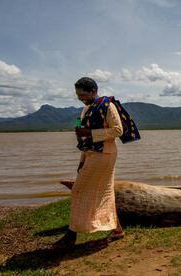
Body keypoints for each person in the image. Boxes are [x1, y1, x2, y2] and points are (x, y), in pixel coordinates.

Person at [54, 77, 139, 249]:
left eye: (83, 94)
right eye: (78, 96)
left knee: (79, 189)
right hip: (91, 154)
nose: (80, 98)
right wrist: (82, 159)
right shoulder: (86, 110)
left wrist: (90, 132)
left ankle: (71, 235)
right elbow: (83, 135)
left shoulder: (108, 105)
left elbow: (117, 130)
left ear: (93, 91)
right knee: (105, 192)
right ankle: (118, 229)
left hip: (105, 154)